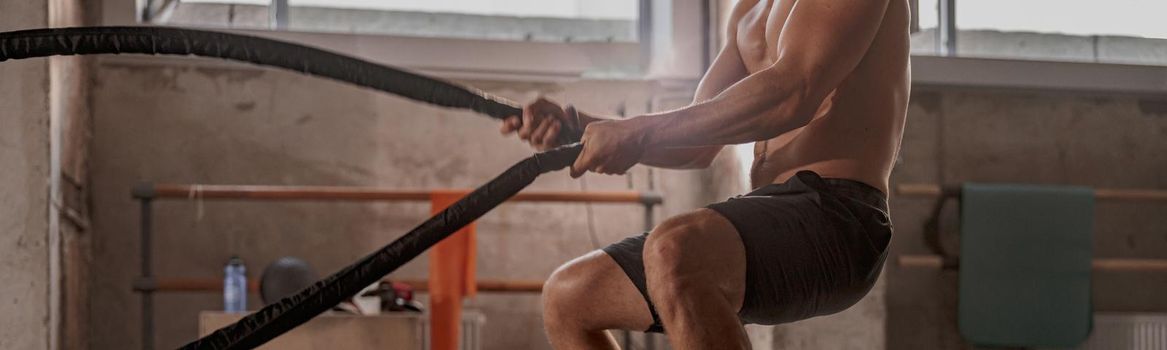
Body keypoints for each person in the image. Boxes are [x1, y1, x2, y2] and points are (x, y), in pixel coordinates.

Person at [500, 0, 909, 348]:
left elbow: (794, 92)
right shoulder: (750, 10)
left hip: (840, 215)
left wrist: (637, 131)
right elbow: (696, 145)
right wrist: (580, 131)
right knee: (569, 298)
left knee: (674, 248)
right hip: (768, 213)